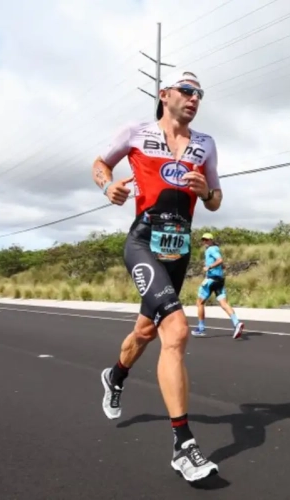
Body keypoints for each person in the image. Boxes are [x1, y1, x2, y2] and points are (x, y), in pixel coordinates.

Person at [91, 70, 222, 483]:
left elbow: (216, 200)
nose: (194, 98)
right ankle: (184, 446)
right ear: (164, 95)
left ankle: (116, 374)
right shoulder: (136, 132)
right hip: (143, 243)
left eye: (199, 93)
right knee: (177, 332)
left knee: (146, 333)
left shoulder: (206, 145)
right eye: (186, 91)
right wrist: (107, 184)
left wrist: (204, 192)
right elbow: (99, 163)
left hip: (179, 250)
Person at [192, 233, 244, 339]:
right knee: (224, 303)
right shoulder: (216, 248)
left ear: (211, 240)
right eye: (203, 240)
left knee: (199, 302)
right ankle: (236, 323)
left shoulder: (211, 249)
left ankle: (201, 328)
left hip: (211, 280)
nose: (205, 242)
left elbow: (220, 260)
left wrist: (209, 267)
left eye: (207, 240)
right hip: (219, 281)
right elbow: (221, 263)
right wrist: (221, 266)